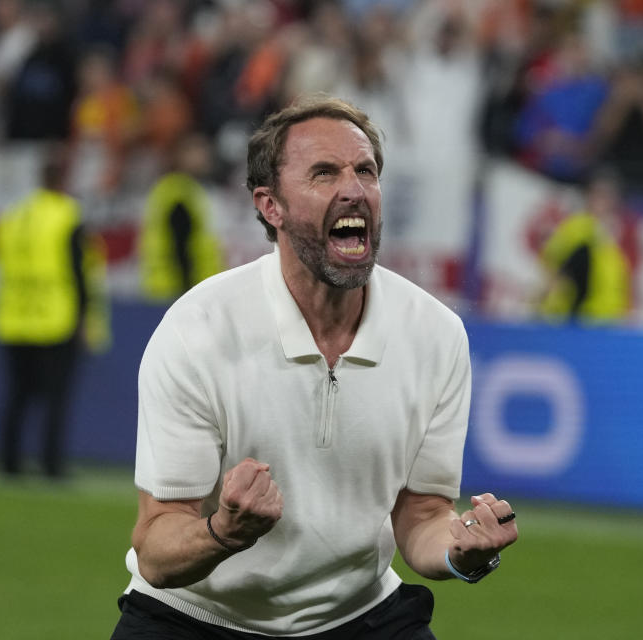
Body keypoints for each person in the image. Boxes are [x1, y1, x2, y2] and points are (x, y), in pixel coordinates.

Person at [110, 95, 519, 639]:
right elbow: (158, 550)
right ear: (270, 205)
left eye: (366, 171)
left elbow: (422, 518)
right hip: (194, 617)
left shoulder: (435, 335)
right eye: (324, 173)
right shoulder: (197, 332)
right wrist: (224, 532)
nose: (354, 189)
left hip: (356, 616)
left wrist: (462, 551)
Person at [0, 146, 110, 478]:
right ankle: (51, 464)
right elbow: (78, 271)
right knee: (55, 397)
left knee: (16, 395)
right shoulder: (68, 216)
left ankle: (7, 462)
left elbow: (0, 261)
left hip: (13, 315)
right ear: (65, 178)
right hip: (54, 317)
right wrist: (86, 317)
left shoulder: (12, 215)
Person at [538, 168, 634, 323]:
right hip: (580, 317)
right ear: (588, 196)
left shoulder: (616, 233)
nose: (604, 201)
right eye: (599, 194)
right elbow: (552, 261)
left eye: (609, 195)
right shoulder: (577, 227)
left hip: (607, 318)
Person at [138, 132, 224, 301]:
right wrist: (188, 291)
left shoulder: (175, 189)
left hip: (168, 288)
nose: (203, 155)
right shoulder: (179, 195)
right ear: (179, 156)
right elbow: (181, 248)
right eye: (194, 150)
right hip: (179, 289)